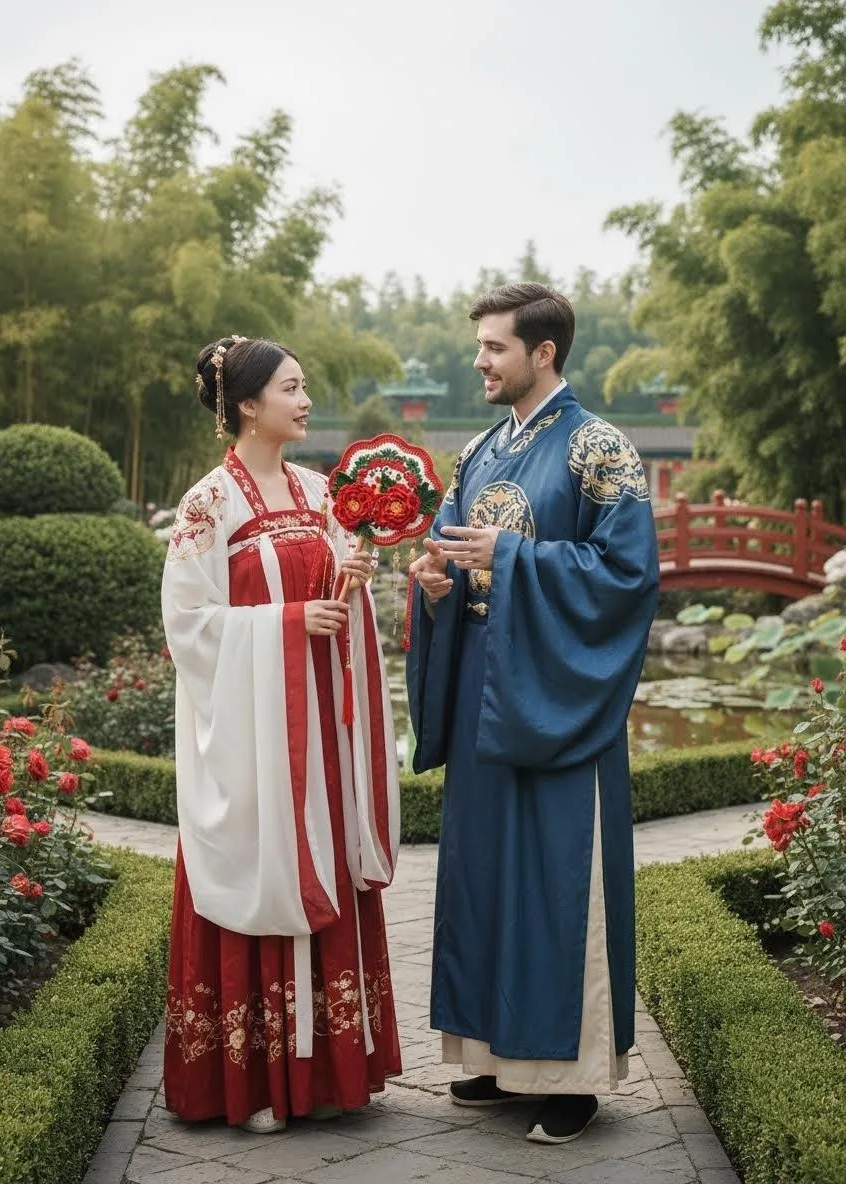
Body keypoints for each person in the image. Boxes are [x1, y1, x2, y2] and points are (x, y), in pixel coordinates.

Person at [406, 284, 659, 1145]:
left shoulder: (600, 448)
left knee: (558, 878)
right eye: (480, 345)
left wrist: (511, 555)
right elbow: (447, 549)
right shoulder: (478, 449)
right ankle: (490, 1053)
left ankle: (571, 1076)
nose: (479, 360)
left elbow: (628, 577)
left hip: (557, 690)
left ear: (543, 352)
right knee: (483, 872)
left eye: (494, 347)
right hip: (486, 682)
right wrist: (435, 583)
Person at [161, 337, 402, 1133]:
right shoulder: (207, 506)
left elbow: (327, 598)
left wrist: (349, 587)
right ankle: (255, 1081)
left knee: (321, 859)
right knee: (264, 864)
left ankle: (331, 1075)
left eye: (305, 387)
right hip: (257, 740)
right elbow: (188, 628)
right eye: (292, 389)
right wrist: (292, 621)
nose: (306, 402)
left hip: (315, 737)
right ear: (248, 405)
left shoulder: (318, 487)